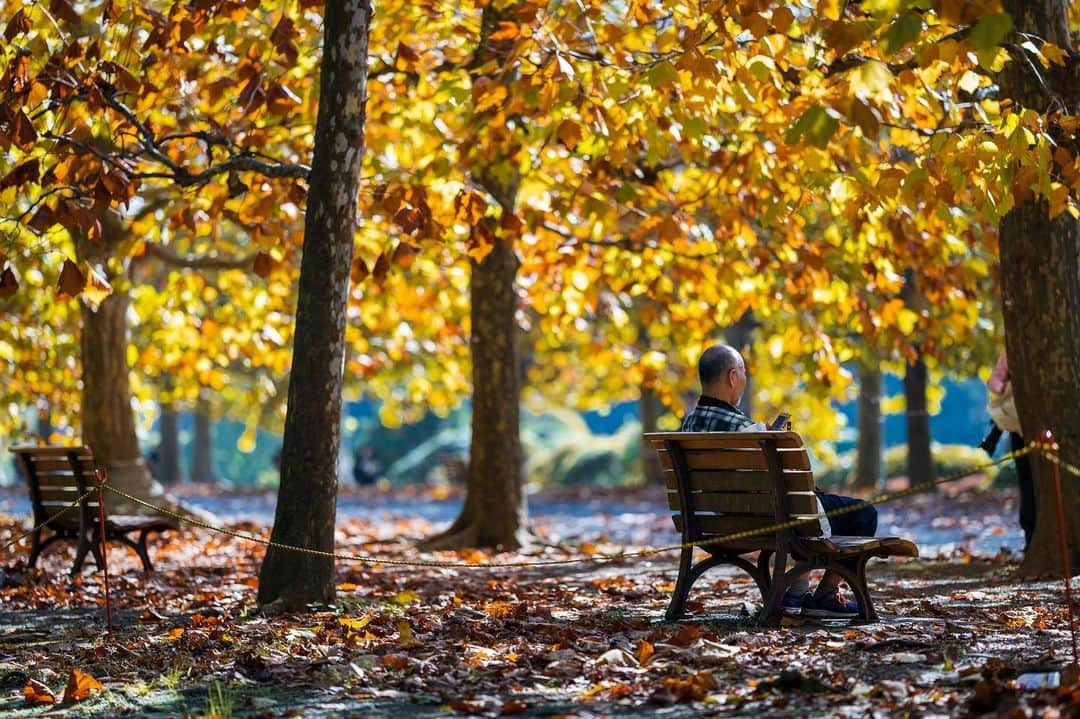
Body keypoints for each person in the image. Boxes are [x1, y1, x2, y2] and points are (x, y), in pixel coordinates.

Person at [680, 343, 875, 618]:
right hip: (764, 523)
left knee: (800, 514)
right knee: (863, 513)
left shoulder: (686, 428)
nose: (745, 381)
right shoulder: (747, 432)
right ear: (733, 377)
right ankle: (825, 595)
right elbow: (785, 487)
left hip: (709, 525)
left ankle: (796, 593)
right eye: (744, 374)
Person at [981, 349, 1034, 550]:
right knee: (1029, 482)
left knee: (1028, 481)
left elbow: (995, 383)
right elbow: (996, 381)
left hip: (1019, 424)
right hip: (1021, 426)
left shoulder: (1017, 342)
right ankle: (1031, 537)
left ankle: (1031, 536)